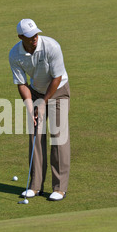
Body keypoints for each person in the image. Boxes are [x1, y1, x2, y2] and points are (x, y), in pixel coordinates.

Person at [9, 19, 71, 201]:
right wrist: (30, 106)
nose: (34, 38)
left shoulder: (51, 46)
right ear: (21, 37)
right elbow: (21, 83)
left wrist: (43, 103)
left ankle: (60, 187)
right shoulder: (15, 54)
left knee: (58, 137)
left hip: (58, 90)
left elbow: (57, 77)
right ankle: (35, 186)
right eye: (29, 36)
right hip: (36, 92)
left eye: (35, 34)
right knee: (35, 135)